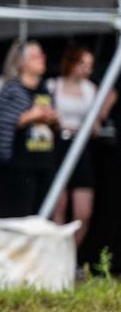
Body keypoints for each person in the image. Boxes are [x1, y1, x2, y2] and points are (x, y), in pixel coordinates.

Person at [51, 45, 115, 246]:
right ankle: (57, 255)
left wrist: (99, 117)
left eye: (90, 65)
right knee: (58, 205)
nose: (87, 68)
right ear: (72, 63)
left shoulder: (90, 89)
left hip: (81, 147)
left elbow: (97, 122)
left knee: (83, 211)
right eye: (83, 63)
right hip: (59, 144)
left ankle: (71, 255)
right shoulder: (54, 85)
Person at [0, 40, 62, 216]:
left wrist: (54, 119)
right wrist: (32, 115)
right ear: (22, 62)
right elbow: (2, 124)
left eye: (43, 55)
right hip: (19, 165)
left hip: (44, 162)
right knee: (20, 217)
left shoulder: (45, 89)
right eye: (36, 56)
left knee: (43, 216)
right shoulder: (11, 90)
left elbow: (53, 128)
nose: (42, 59)